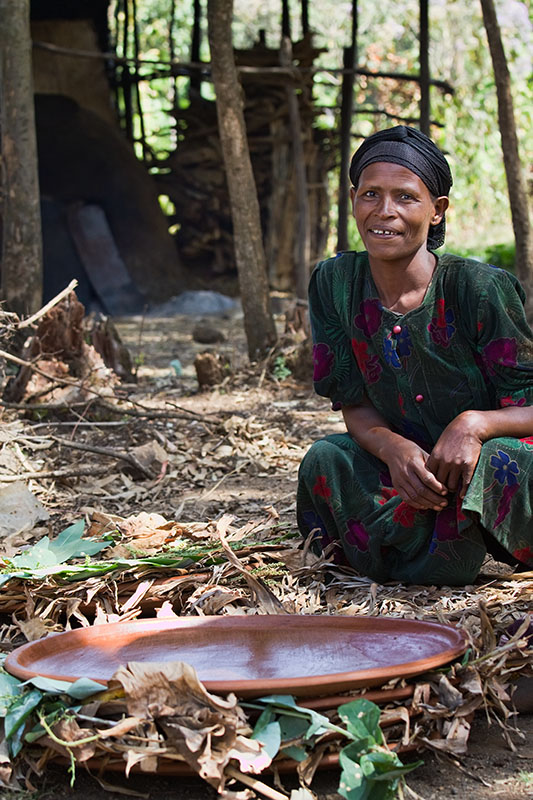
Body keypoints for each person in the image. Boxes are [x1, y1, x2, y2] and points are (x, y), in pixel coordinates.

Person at [297, 125, 533, 586]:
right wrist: (393, 448)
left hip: (486, 460)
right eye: (371, 195)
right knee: (327, 458)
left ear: (436, 211)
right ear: (352, 200)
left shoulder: (478, 289)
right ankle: (436, 544)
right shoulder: (334, 284)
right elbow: (355, 405)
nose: (385, 212)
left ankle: (479, 546)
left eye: (405, 197)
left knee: (503, 461)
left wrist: (474, 425)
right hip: (411, 470)